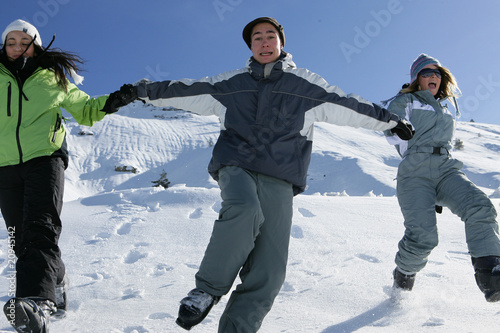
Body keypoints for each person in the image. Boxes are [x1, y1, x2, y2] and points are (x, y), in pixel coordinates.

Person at [135, 17, 413, 332]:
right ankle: (206, 290)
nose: (264, 43)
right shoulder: (232, 83)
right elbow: (185, 91)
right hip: (237, 165)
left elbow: (347, 104)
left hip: (280, 179)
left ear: (281, 43)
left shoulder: (304, 84)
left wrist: (389, 120)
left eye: (270, 36)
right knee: (244, 209)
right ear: (250, 46)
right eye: (257, 38)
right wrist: (140, 90)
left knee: (269, 270)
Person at [0, 19, 136, 332]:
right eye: (11, 42)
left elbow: (85, 109)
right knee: (19, 238)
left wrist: (113, 100)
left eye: (25, 41)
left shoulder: (53, 78)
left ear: (36, 45)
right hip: (5, 165)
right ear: (4, 46)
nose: (18, 47)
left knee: (40, 227)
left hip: (45, 159)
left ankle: (36, 302)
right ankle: (57, 280)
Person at [383, 53, 500, 302]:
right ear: (417, 79)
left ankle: (491, 275)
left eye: (437, 72)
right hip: (415, 172)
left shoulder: (445, 109)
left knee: (480, 205)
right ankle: (402, 283)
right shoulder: (408, 100)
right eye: (426, 72)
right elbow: (391, 124)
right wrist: (399, 124)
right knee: (424, 238)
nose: (433, 76)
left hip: (446, 168)